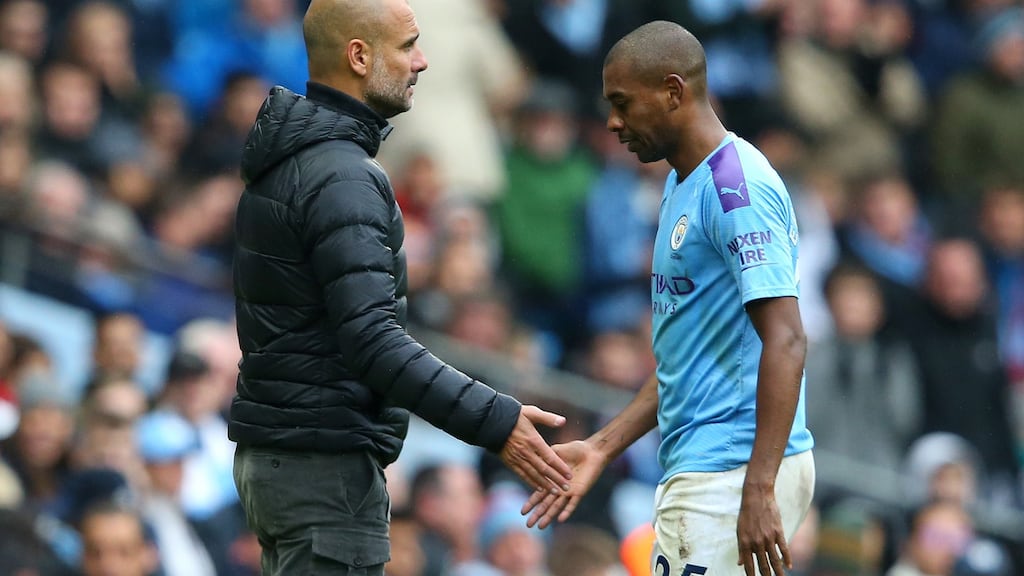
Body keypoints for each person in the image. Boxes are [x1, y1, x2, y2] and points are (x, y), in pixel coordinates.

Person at [228, 1, 573, 575]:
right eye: (408, 45)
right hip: (323, 470)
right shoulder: (342, 176)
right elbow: (373, 341)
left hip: (293, 462)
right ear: (359, 56)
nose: (422, 61)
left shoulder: (299, 161)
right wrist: (497, 420)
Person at [523, 21, 816, 576]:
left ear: (674, 92)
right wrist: (604, 446)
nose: (612, 122)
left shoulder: (737, 191)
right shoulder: (684, 181)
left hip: (729, 472)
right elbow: (688, 354)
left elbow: (788, 337)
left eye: (622, 103)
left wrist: (758, 487)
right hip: (714, 467)